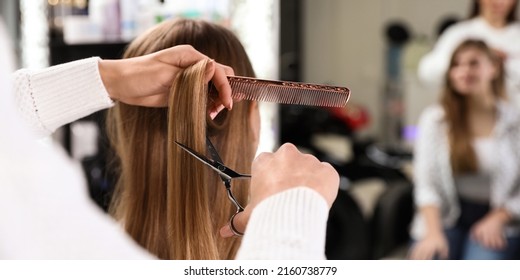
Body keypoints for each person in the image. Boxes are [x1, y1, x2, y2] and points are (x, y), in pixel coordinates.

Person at [0, 19, 339, 259]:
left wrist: (109, 78)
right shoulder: (297, 253)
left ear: (121, 133)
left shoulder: (64, 254)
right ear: (253, 121)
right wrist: (291, 214)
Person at [409, 39, 520, 260]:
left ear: (494, 68)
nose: (464, 71)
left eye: (473, 63)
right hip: (445, 218)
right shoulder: (435, 119)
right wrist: (432, 233)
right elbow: (426, 183)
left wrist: (499, 217)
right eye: (456, 65)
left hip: (500, 219)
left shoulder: (515, 121)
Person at [418, 0, 520, 106]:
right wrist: (469, 58)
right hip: (466, 115)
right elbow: (426, 73)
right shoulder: (459, 34)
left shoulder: (517, 37)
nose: (499, 2)